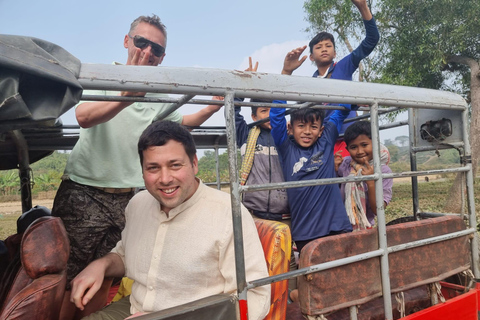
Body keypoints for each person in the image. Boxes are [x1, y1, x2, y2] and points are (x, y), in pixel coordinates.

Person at [51, 14, 221, 319]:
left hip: (128, 197)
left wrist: (213, 105)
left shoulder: (158, 92)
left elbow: (181, 125)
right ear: (127, 41)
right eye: (141, 42)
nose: (147, 52)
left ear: (162, 57)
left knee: (107, 274)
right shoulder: (102, 76)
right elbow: (84, 117)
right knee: (64, 279)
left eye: (156, 49)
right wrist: (126, 97)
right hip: (84, 192)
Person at [70, 120, 271, 320]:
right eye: (153, 168)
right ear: (142, 171)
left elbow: (255, 297)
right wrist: (101, 265)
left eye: (175, 165)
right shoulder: (137, 204)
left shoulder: (228, 213)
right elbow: (125, 254)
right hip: (134, 307)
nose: (165, 178)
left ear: (194, 164)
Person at [281, 0, 379, 156]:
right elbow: (303, 110)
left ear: (335, 53)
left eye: (328, 46)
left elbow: (371, 40)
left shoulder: (344, 65)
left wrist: (363, 8)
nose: (324, 49)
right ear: (311, 57)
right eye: (319, 47)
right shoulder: (309, 83)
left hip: (348, 136)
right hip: (324, 139)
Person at [270, 104, 354, 254]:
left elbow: (341, 112)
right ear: (290, 129)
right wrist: (281, 82)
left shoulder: (326, 141)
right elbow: (276, 116)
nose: (307, 132)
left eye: (313, 127)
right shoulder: (286, 148)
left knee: (342, 272)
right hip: (306, 231)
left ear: (321, 130)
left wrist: (354, 100)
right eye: (301, 126)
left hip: (337, 225)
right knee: (315, 275)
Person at [336, 121, 393, 230]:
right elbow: (335, 183)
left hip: (365, 226)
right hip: (341, 226)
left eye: (364, 145)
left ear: (376, 144)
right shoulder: (347, 164)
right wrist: (334, 168)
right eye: (353, 147)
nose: (360, 151)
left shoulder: (383, 171)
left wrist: (371, 182)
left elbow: (378, 210)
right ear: (347, 149)